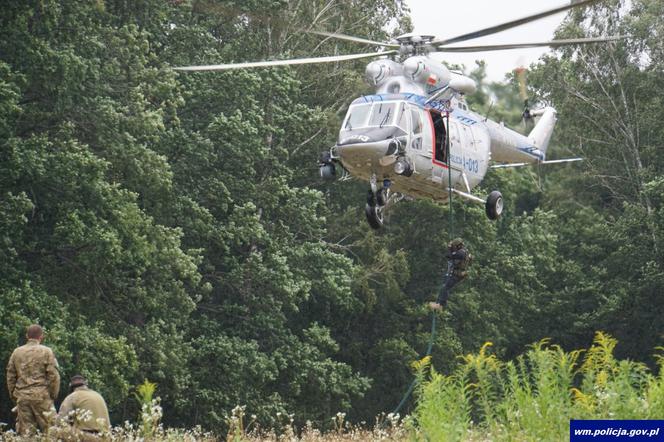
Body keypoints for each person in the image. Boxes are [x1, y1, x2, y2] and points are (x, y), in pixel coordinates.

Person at [6, 324, 61, 435]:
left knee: (26, 434)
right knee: (53, 432)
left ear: (27, 336)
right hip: (42, 396)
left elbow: (10, 376)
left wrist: (14, 396)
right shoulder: (47, 351)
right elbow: (53, 375)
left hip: (23, 397)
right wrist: (52, 395)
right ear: (41, 337)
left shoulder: (16, 352)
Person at [429, 238, 471, 311]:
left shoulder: (461, 252)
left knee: (446, 287)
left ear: (458, 246)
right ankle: (438, 303)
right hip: (458, 273)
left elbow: (449, 256)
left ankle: (440, 304)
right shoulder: (464, 252)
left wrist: (450, 249)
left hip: (457, 274)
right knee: (444, 286)